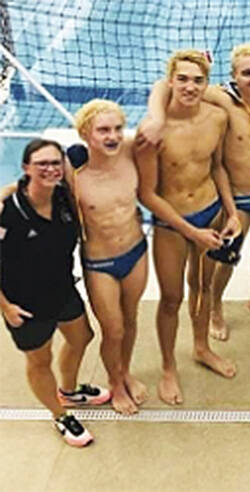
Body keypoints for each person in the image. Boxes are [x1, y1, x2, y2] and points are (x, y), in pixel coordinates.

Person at [145, 43, 250, 340]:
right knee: (224, 260)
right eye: (247, 73)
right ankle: (215, 309)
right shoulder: (220, 99)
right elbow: (164, 84)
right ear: (234, 76)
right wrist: (157, 118)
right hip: (238, 198)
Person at [136, 49, 242, 405]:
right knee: (171, 299)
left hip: (211, 213)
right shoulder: (154, 129)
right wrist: (191, 232)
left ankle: (201, 347)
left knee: (203, 288)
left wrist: (232, 212)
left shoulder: (216, 118)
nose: (190, 86)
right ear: (170, 82)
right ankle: (168, 367)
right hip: (172, 225)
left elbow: (218, 168)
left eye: (197, 80)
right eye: (182, 79)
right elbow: (147, 194)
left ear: (206, 84)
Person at [0, 139, 110, 446]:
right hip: (24, 304)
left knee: (82, 337)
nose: (50, 169)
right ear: (26, 168)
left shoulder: (63, 196)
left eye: (55, 163)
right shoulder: (8, 210)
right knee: (40, 361)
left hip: (62, 289)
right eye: (42, 164)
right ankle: (60, 415)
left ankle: (70, 391)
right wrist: (6, 307)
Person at [70, 100, 148, 415]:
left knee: (130, 322)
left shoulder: (130, 150)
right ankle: (114, 384)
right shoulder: (71, 170)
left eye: (117, 128)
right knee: (112, 329)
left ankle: (125, 371)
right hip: (99, 263)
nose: (113, 136)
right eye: (103, 130)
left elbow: (161, 122)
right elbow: (26, 187)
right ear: (86, 133)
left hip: (136, 251)